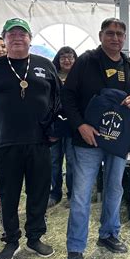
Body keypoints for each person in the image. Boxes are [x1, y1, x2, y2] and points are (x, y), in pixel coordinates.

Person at [0, 18, 60, 259]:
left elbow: (58, 102)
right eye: (12, 34)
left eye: (22, 33)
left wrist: (56, 128)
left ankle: (34, 237)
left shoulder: (45, 65)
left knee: (38, 192)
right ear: (4, 39)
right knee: (8, 194)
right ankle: (11, 239)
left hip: (39, 142)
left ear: (30, 38)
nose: (17, 37)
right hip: (5, 142)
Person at [62, 17, 130, 259]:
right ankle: (76, 248)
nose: (115, 38)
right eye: (110, 33)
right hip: (87, 138)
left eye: (120, 34)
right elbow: (67, 95)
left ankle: (109, 234)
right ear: (101, 35)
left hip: (118, 141)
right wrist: (80, 124)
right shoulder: (86, 61)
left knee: (114, 189)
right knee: (81, 194)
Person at [47, 46, 77, 208]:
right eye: (63, 57)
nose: (67, 60)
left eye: (70, 57)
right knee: (54, 161)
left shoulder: (80, 77)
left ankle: (72, 194)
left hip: (73, 126)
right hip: (55, 126)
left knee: (72, 161)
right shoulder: (51, 77)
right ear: (58, 60)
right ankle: (54, 193)